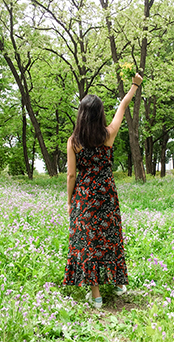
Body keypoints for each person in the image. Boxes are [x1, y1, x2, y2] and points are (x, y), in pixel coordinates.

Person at [63, 75, 141, 308]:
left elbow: (71, 175)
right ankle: (118, 284)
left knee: (88, 240)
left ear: (81, 114)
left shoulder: (74, 141)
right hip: (106, 195)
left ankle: (96, 296)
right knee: (110, 237)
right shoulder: (108, 134)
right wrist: (134, 85)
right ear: (100, 114)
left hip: (84, 197)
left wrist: (70, 201)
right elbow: (123, 106)